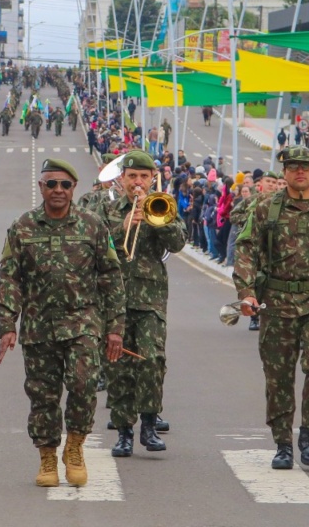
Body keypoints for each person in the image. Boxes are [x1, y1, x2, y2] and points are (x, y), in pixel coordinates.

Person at [0, 158, 125, 487]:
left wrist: (115, 328)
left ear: (73, 189)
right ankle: (47, 457)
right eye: (51, 184)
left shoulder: (92, 225)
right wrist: (7, 325)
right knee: (43, 395)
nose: (58, 190)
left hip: (83, 323)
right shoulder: (23, 226)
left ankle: (75, 446)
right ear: (41, 187)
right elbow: (10, 278)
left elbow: (111, 278)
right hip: (38, 326)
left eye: (65, 185)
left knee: (83, 385)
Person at [235, 146, 309, 469]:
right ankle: (283, 443)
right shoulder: (266, 209)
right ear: (285, 171)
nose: (299, 172)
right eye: (293, 167)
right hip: (277, 299)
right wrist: (246, 292)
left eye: (305, 167)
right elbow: (245, 249)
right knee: (278, 376)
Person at [99, 150, 186, 458]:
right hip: (114, 299)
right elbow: (95, 248)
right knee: (118, 366)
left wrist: (157, 219)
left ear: (152, 179)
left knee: (152, 360)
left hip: (150, 299)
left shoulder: (162, 205)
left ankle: (149, 425)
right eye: (132, 176)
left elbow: (178, 243)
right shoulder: (107, 209)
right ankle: (124, 432)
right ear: (122, 178)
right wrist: (122, 227)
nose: (137, 182)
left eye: (143, 177)